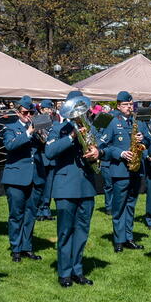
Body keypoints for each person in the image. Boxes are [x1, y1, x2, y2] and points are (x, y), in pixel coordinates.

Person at [46, 90, 101, 287]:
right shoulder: (58, 128)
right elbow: (50, 152)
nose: (78, 113)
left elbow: (102, 148)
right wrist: (71, 137)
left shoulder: (91, 128)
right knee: (65, 231)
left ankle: (78, 270)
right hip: (65, 187)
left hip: (86, 186)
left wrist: (97, 152)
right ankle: (64, 272)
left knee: (82, 231)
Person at [0, 96, 45, 263]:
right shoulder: (10, 127)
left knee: (30, 214)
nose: (29, 115)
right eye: (26, 112)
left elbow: (46, 147)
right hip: (16, 177)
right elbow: (10, 146)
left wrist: (42, 134)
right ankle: (16, 248)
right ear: (18, 112)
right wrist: (28, 132)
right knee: (16, 214)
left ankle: (27, 247)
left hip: (35, 176)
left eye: (31, 112)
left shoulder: (37, 127)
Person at [97, 90, 145, 253]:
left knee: (131, 205)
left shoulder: (135, 122)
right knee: (119, 206)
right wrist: (120, 153)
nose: (129, 107)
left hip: (135, 170)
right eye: (125, 104)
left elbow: (148, 142)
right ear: (118, 105)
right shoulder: (112, 122)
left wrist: (141, 139)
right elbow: (102, 146)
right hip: (119, 170)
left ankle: (129, 238)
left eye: (131, 104)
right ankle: (118, 239)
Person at [29, 99, 56, 221]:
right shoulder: (38, 120)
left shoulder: (54, 122)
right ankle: (39, 210)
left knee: (49, 186)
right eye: (47, 109)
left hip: (52, 159)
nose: (49, 111)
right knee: (40, 184)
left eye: (50, 109)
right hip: (41, 157)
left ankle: (46, 208)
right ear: (41, 109)